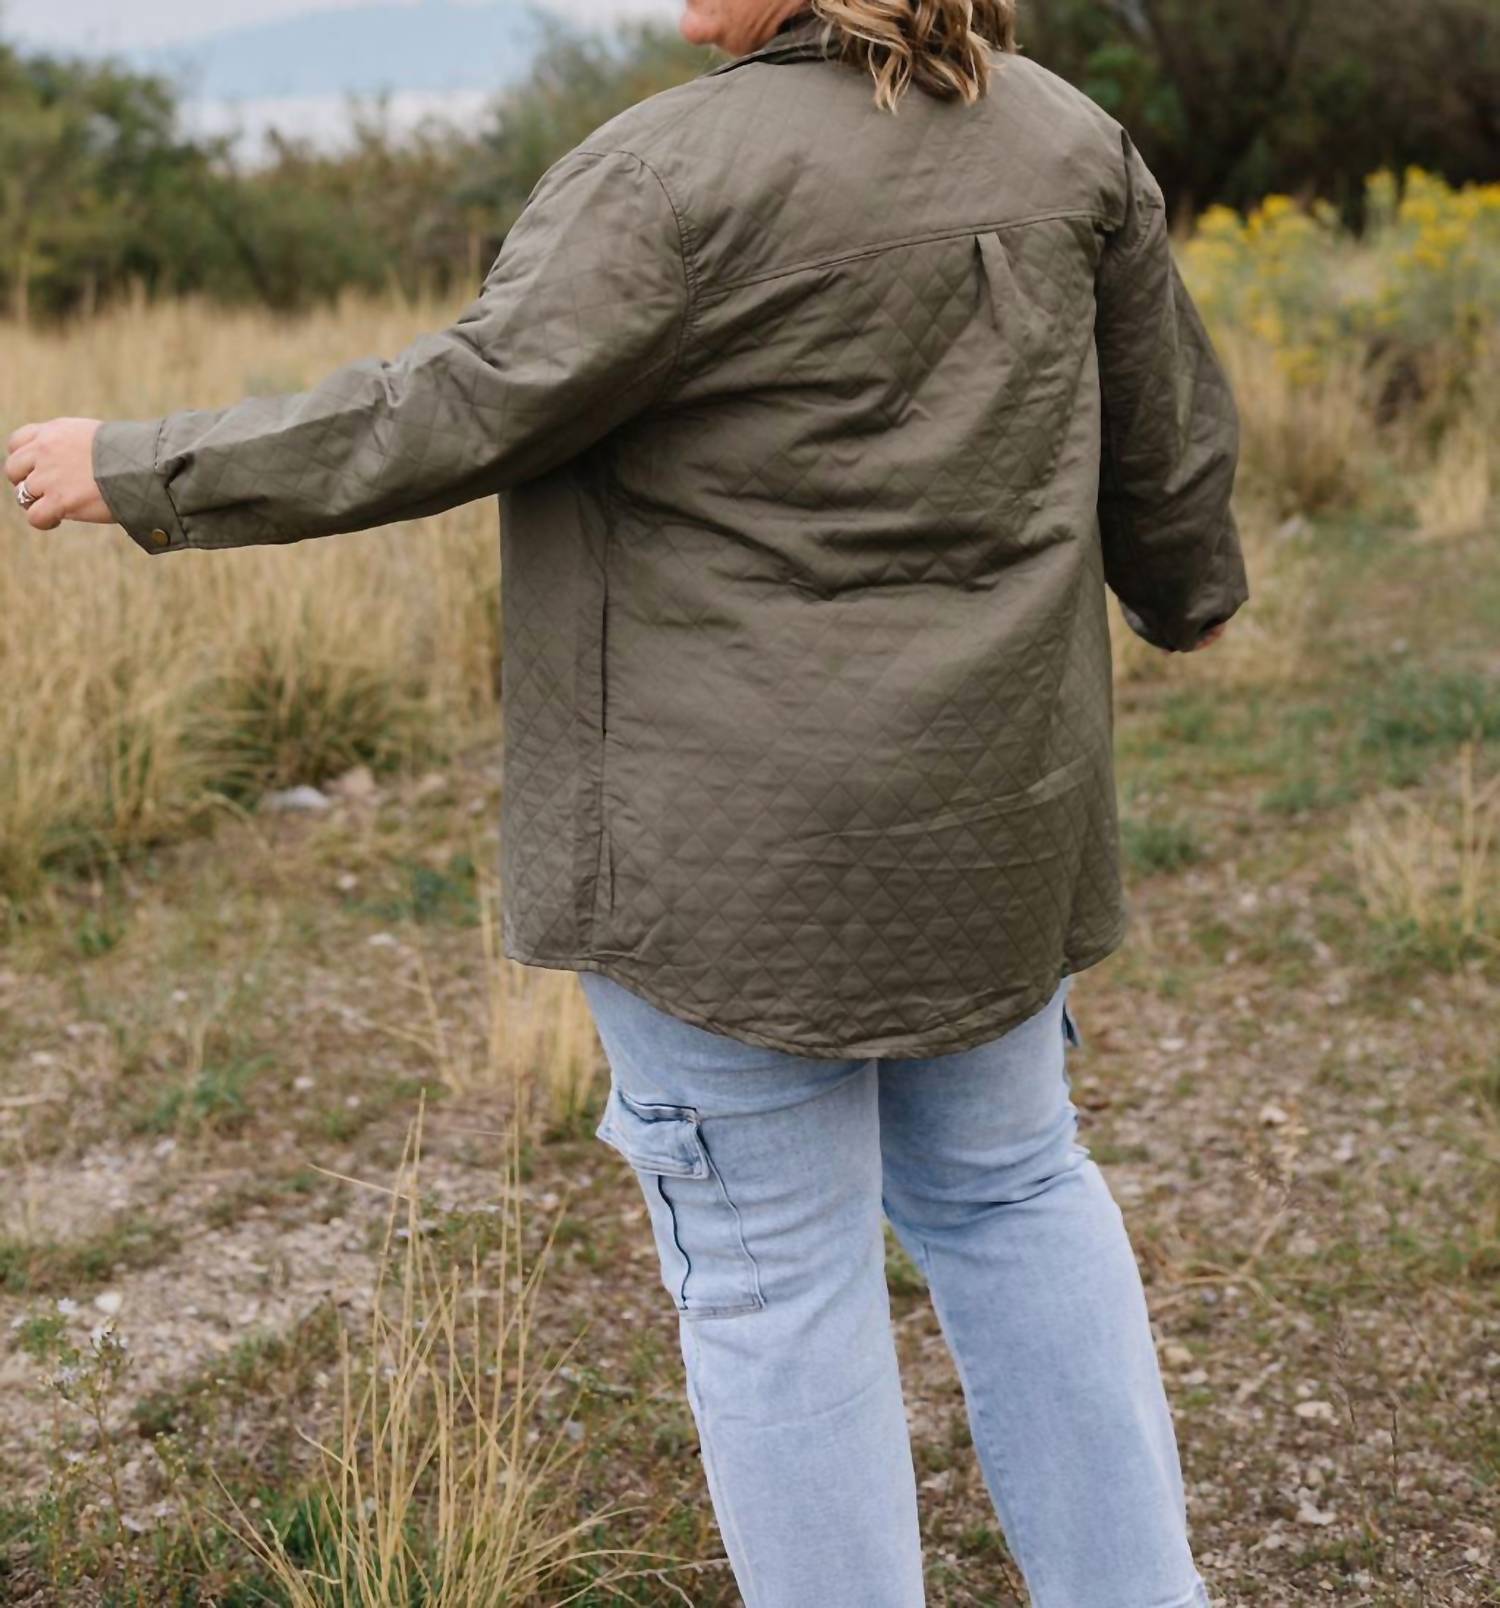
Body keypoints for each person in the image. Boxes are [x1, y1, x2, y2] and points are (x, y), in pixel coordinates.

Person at [6, 0, 1247, 1601]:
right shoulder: (1067, 138)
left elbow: (448, 407)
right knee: (1016, 1195)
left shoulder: (669, 174)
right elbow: (1165, 446)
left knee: (772, 1282)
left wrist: (143, 463)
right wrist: (1188, 594)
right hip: (996, 820)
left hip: (721, 861)